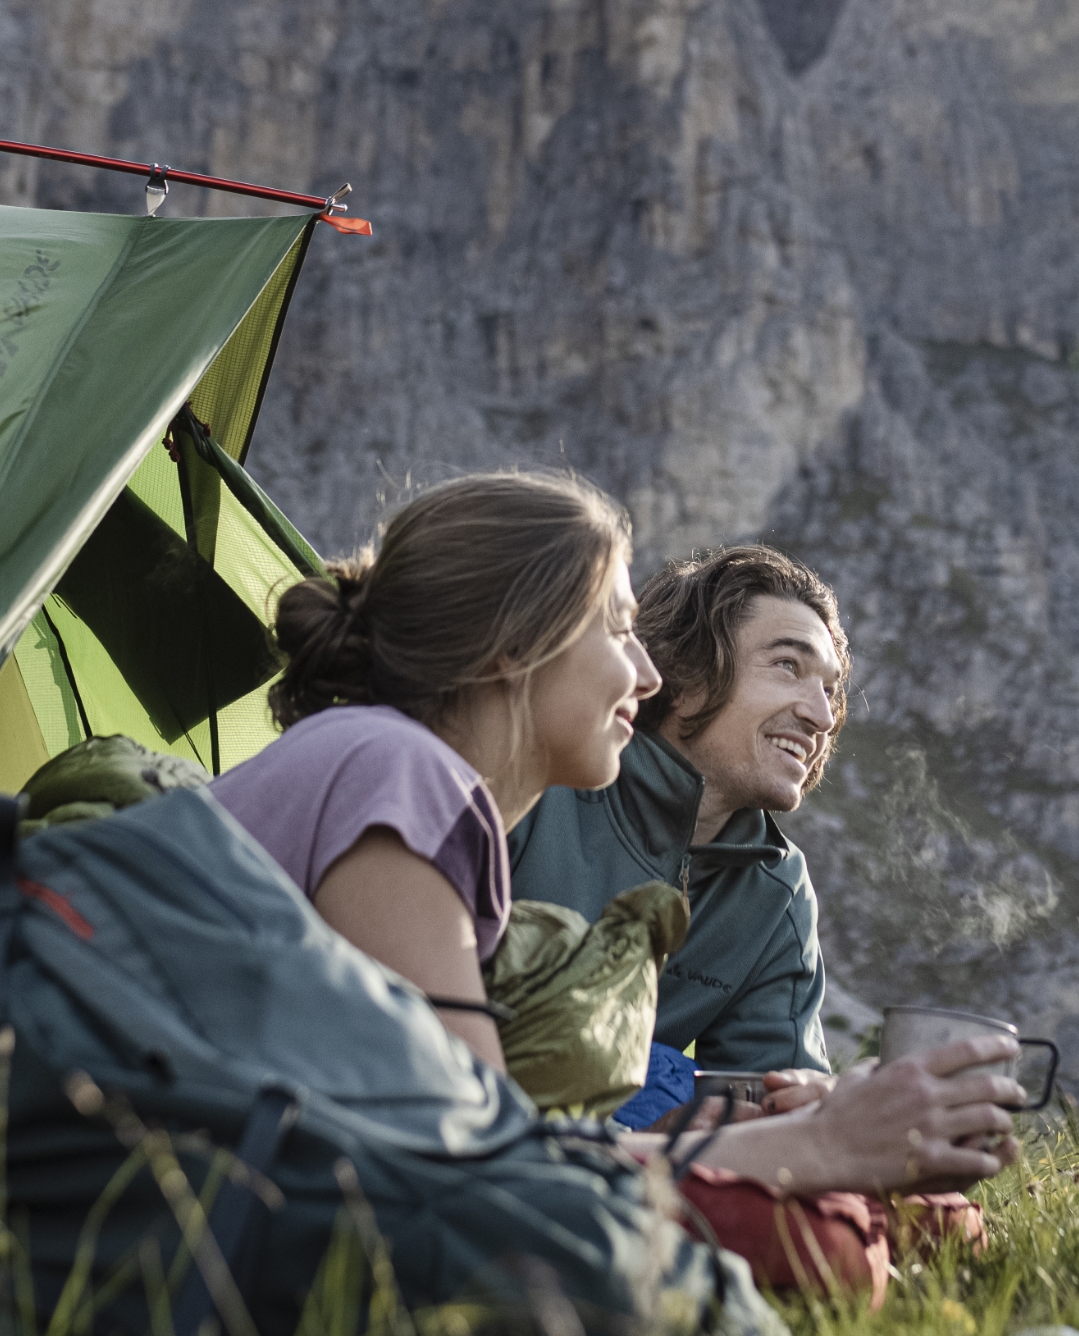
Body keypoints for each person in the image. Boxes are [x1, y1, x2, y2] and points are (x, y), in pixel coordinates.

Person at [203, 473, 1023, 1208]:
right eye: (620, 631)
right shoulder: (402, 771)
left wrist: (802, 1125)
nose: (646, 672)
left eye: (832, 689)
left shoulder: (407, 770)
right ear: (521, 644)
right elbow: (475, 1156)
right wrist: (810, 1148)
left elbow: (467, 1129)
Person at [508, 545, 850, 1125]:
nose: (820, 715)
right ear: (684, 675)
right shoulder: (540, 783)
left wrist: (810, 1111)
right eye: (789, 666)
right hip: (449, 1092)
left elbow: (775, 1098)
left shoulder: (774, 892)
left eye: (830, 689)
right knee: (663, 1079)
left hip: (601, 1152)